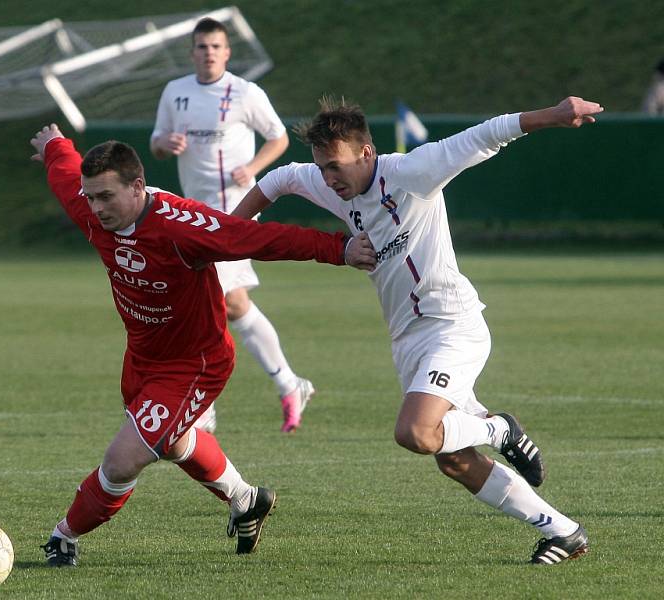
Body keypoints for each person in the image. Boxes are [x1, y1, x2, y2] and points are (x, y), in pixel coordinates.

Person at [231, 95, 603, 565]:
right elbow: (276, 181)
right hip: (407, 340)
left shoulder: (411, 171)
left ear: (366, 153)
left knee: (415, 432)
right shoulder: (326, 182)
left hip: (452, 325)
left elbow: (484, 135)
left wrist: (551, 115)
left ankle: (500, 429)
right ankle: (563, 532)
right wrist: (227, 235)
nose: (328, 178)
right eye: (322, 167)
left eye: (336, 166)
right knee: (452, 458)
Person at [29, 123, 375, 566]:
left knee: (122, 460)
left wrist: (340, 248)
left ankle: (63, 538)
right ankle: (245, 499)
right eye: (90, 197)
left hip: (195, 363)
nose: (95, 208)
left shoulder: (180, 225)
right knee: (173, 443)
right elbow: (65, 173)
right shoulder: (92, 208)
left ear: (138, 186)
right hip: (141, 359)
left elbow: (259, 239)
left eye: (106, 197)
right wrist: (56, 145)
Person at [150, 17, 309, 434]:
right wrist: (164, 144)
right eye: (201, 47)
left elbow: (279, 137)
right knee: (233, 304)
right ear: (192, 52)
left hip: (233, 211)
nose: (208, 53)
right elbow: (156, 141)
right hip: (190, 214)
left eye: (215, 46)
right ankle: (290, 383)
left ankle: (202, 407)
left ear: (227, 52)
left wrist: (253, 167)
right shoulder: (176, 92)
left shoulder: (244, 92)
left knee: (205, 303)